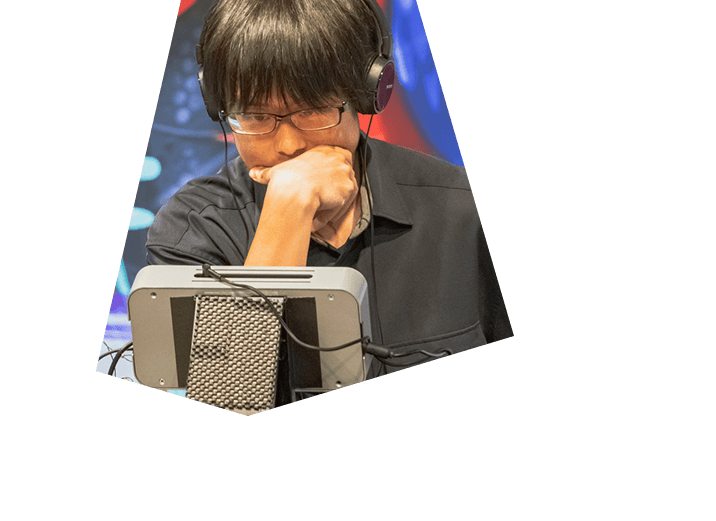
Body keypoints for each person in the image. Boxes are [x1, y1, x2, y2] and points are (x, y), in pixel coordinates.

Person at [145, 0, 511, 375]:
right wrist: (288, 209)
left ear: (366, 95)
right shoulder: (191, 231)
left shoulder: (463, 208)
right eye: (256, 116)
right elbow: (234, 384)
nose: (289, 145)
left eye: (311, 110)